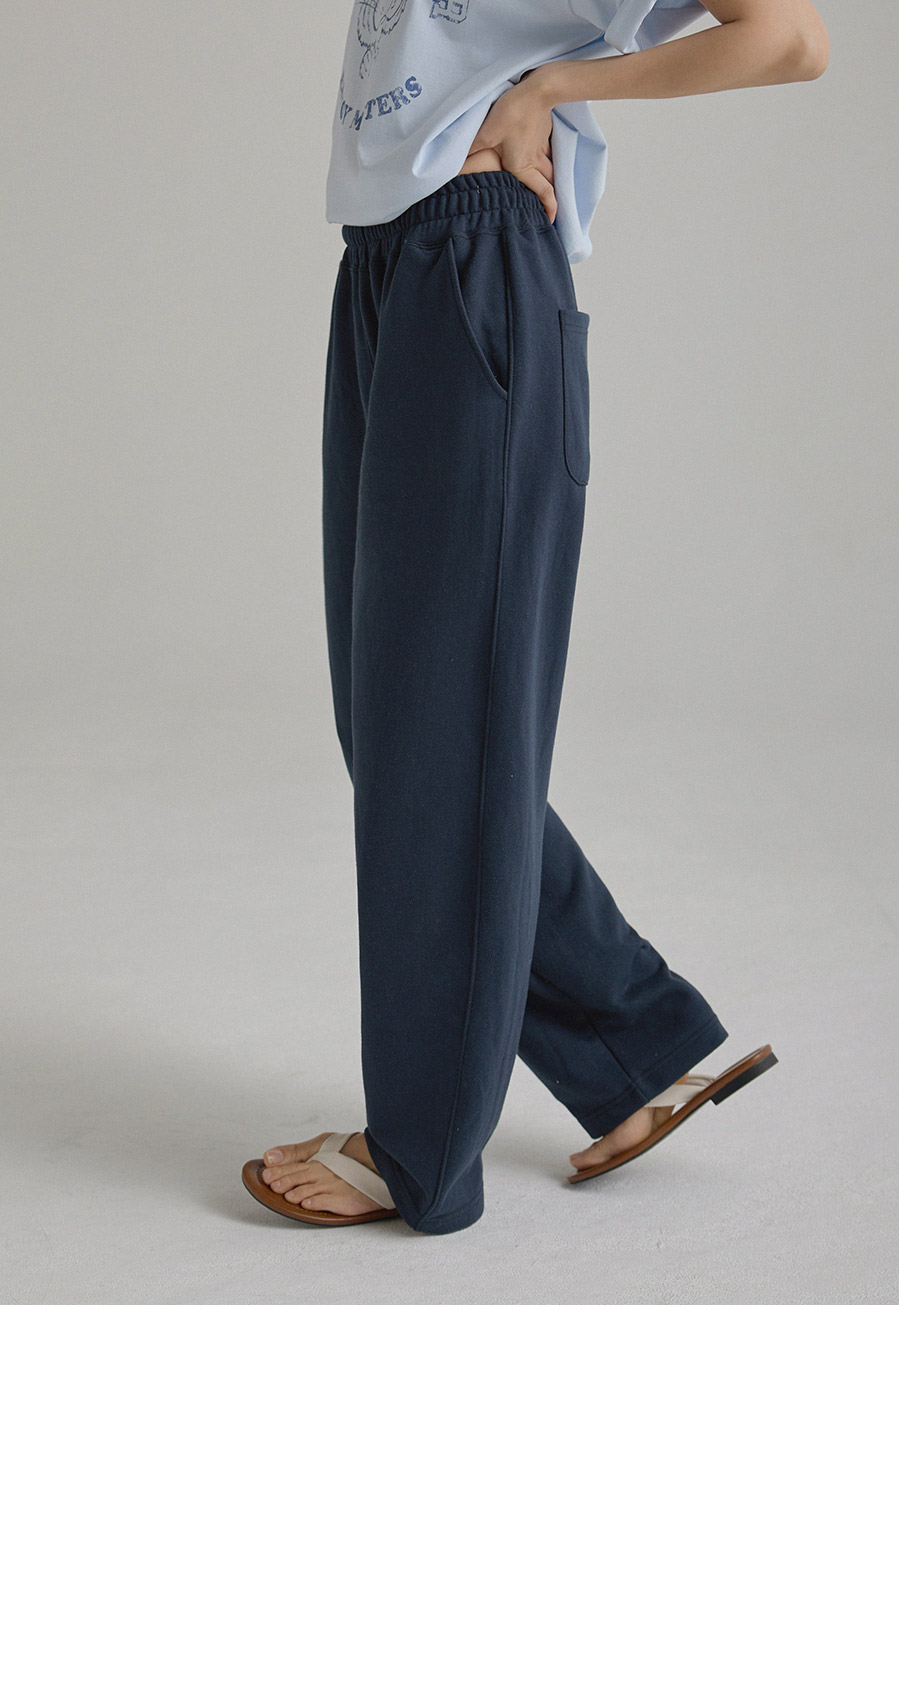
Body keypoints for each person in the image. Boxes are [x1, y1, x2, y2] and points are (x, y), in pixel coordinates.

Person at [242, 0, 828, 1233]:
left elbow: (786, 37)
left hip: (479, 254)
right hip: (389, 255)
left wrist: (548, 91)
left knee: (438, 739)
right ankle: (634, 1045)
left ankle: (421, 1149)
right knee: (396, 727)